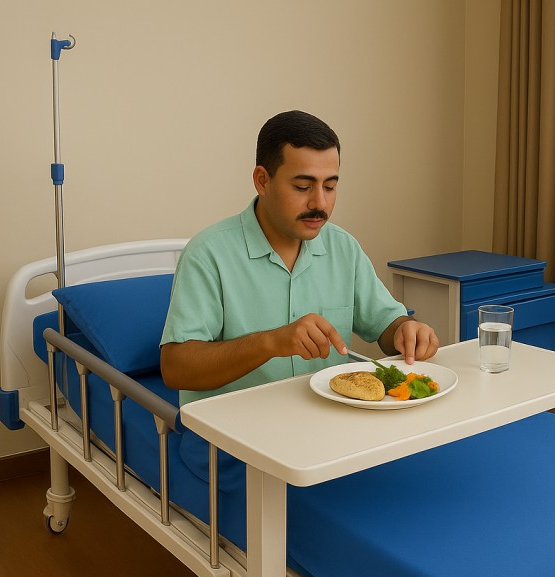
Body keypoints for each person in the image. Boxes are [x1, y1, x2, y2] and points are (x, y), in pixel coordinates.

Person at [160, 110, 439, 405]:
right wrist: (271, 342)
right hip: (234, 435)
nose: (320, 203)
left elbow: (384, 324)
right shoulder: (207, 254)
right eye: (303, 187)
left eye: (330, 187)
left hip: (328, 424)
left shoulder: (343, 247)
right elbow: (177, 368)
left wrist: (404, 330)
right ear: (262, 180)